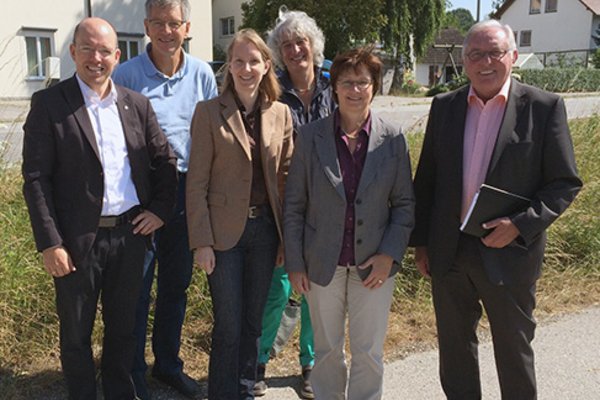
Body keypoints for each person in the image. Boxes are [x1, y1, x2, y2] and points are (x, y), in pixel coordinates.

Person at [410, 20, 582, 399]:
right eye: (476, 54)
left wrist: (521, 225)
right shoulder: (445, 106)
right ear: (464, 60)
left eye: (495, 53)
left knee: (513, 351)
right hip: (449, 252)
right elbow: (428, 180)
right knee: (454, 352)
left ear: (513, 56)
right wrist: (422, 243)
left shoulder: (544, 108)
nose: (485, 62)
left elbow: (564, 184)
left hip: (509, 252)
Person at [21, 17, 177, 400]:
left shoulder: (135, 104)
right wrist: (49, 243)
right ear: (73, 52)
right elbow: (36, 178)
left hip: (129, 237)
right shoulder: (50, 104)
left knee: (124, 331)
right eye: (87, 48)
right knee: (75, 334)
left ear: (117, 56)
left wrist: (159, 210)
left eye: (105, 50)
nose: (96, 58)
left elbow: (166, 162)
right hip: (74, 242)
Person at [284, 47, 415, 400]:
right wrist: (295, 262)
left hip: (374, 264)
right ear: (333, 87)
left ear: (375, 86)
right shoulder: (311, 137)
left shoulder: (394, 139)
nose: (355, 90)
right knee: (326, 351)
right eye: (347, 82)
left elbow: (404, 205)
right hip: (322, 262)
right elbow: (294, 205)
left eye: (363, 82)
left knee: (368, 352)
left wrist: (389, 255)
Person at [112, 1, 217, 398]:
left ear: (187, 27)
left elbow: (210, 137)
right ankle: (132, 373)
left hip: (188, 193)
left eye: (174, 23)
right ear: (146, 26)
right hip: (142, 197)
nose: (167, 31)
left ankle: (167, 365)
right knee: (136, 291)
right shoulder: (127, 75)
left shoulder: (203, 74)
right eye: (159, 23)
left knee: (176, 286)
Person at [186, 28, 293, 400]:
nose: (246, 68)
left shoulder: (281, 113)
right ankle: (222, 393)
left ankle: (245, 391)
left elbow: (286, 182)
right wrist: (201, 242)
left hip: (265, 233)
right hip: (223, 236)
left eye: (254, 61)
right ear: (228, 66)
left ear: (267, 65)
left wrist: (285, 240)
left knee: (253, 324)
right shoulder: (207, 113)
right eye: (238, 61)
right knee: (228, 326)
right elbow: (196, 183)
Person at [254, 9, 336, 398]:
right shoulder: (271, 91)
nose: (294, 50)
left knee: (316, 291)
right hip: (283, 202)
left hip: (327, 205)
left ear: (313, 45)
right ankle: (258, 360)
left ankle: (310, 363)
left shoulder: (334, 86)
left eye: (300, 41)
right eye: (286, 45)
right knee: (278, 286)